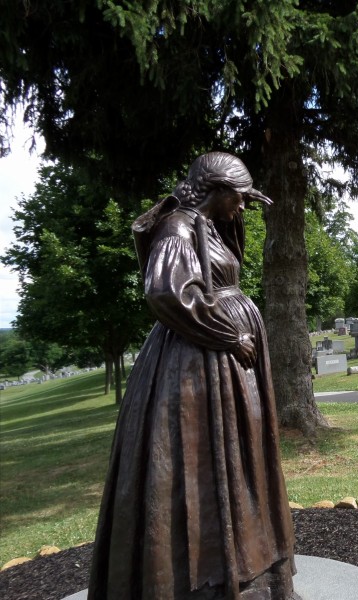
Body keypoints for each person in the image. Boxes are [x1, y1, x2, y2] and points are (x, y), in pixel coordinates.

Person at [89, 152, 297, 599]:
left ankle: (254, 566)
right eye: (238, 198)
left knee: (240, 455)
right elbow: (165, 292)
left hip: (222, 363)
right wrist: (227, 336)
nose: (242, 208)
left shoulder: (207, 226)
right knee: (203, 458)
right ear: (216, 190)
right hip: (198, 363)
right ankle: (205, 576)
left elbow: (222, 256)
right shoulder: (176, 230)